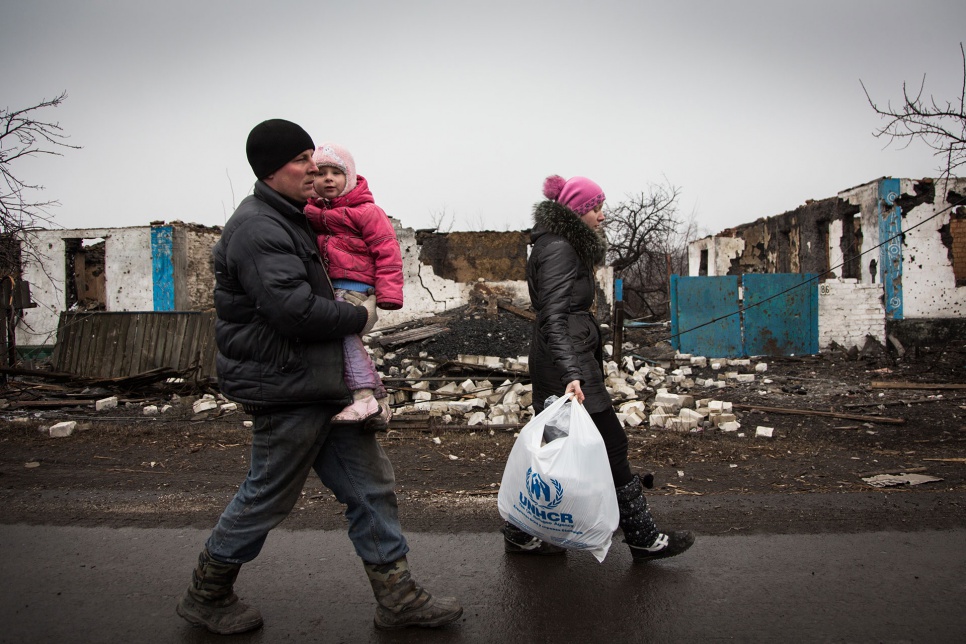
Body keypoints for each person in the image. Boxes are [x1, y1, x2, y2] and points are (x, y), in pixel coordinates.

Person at [175, 119, 462, 634]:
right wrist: (361, 316)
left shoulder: (295, 218)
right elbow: (294, 311)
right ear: (271, 169)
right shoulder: (259, 228)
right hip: (285, 385)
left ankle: (397, 596)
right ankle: (207, 592)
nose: (313, 168)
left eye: (314, 156)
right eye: (301, 159)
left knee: (371, 487)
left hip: (322, 382)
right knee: (268, 495)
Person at [502, 174, 695, 562]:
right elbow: (554, 316)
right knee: (610, 445)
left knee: (555, 451)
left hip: (563, 361)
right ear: (576, 210)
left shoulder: (560, 244)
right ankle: (642, 536)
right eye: (594, 207)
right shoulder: (560, 248)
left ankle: (520, 533)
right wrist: (572, 373)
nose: (602, 215)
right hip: (565, 367)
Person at [304, 143, 402, 430]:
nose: (329, 179)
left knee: (342, 334)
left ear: (350, 177)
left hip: (356, 289)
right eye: (321, 173)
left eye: (337, 172)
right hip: (329, 290)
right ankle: (380, 402)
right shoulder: (310, 214)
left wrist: (388, 296)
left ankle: (363, 396)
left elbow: (388, 253)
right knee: (346, 340)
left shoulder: (367, 212)